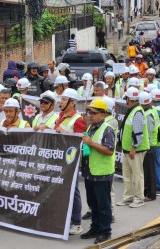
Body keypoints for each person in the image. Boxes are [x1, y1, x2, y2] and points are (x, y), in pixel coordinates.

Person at [80, 98, 115, 244]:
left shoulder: (107, 129)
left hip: (102, 173)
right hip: (90, 172)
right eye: (89, 112)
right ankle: (95, 228)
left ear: (103, 114)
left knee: (103, 205)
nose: (90, 115)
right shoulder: (91, 128)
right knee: (93, 204)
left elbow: (109, 150)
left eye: (94, 113)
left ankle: (105, 231)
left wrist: (91, 143)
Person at [54, 88, 87, 235]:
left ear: (72, 103)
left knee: (73, 191)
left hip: (70, 161)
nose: (60, 102)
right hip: (58, 159)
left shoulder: (78, 120)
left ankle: (77, 222)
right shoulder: (60, 116)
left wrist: (63, 131)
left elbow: (80, 141)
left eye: (64, 99)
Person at [117, 87, 149, 208]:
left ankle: (139, 198)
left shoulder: (137, 112)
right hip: (128, 149)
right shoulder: (133, 110)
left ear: (129, 99)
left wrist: (133, 148)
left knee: (137, 174)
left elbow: (138, 133)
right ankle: (128, 197)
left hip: (134, 150)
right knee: (127, 174)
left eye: (126, 97)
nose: (125, 100)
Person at [139, 92, 159, 202]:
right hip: (149, 145)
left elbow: (149, 132)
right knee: (147, 170)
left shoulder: (149, 115)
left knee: (149, 172)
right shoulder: (150, 111)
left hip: (149, 146)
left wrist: (146, 147)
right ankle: (148, 192)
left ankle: (151, 194)